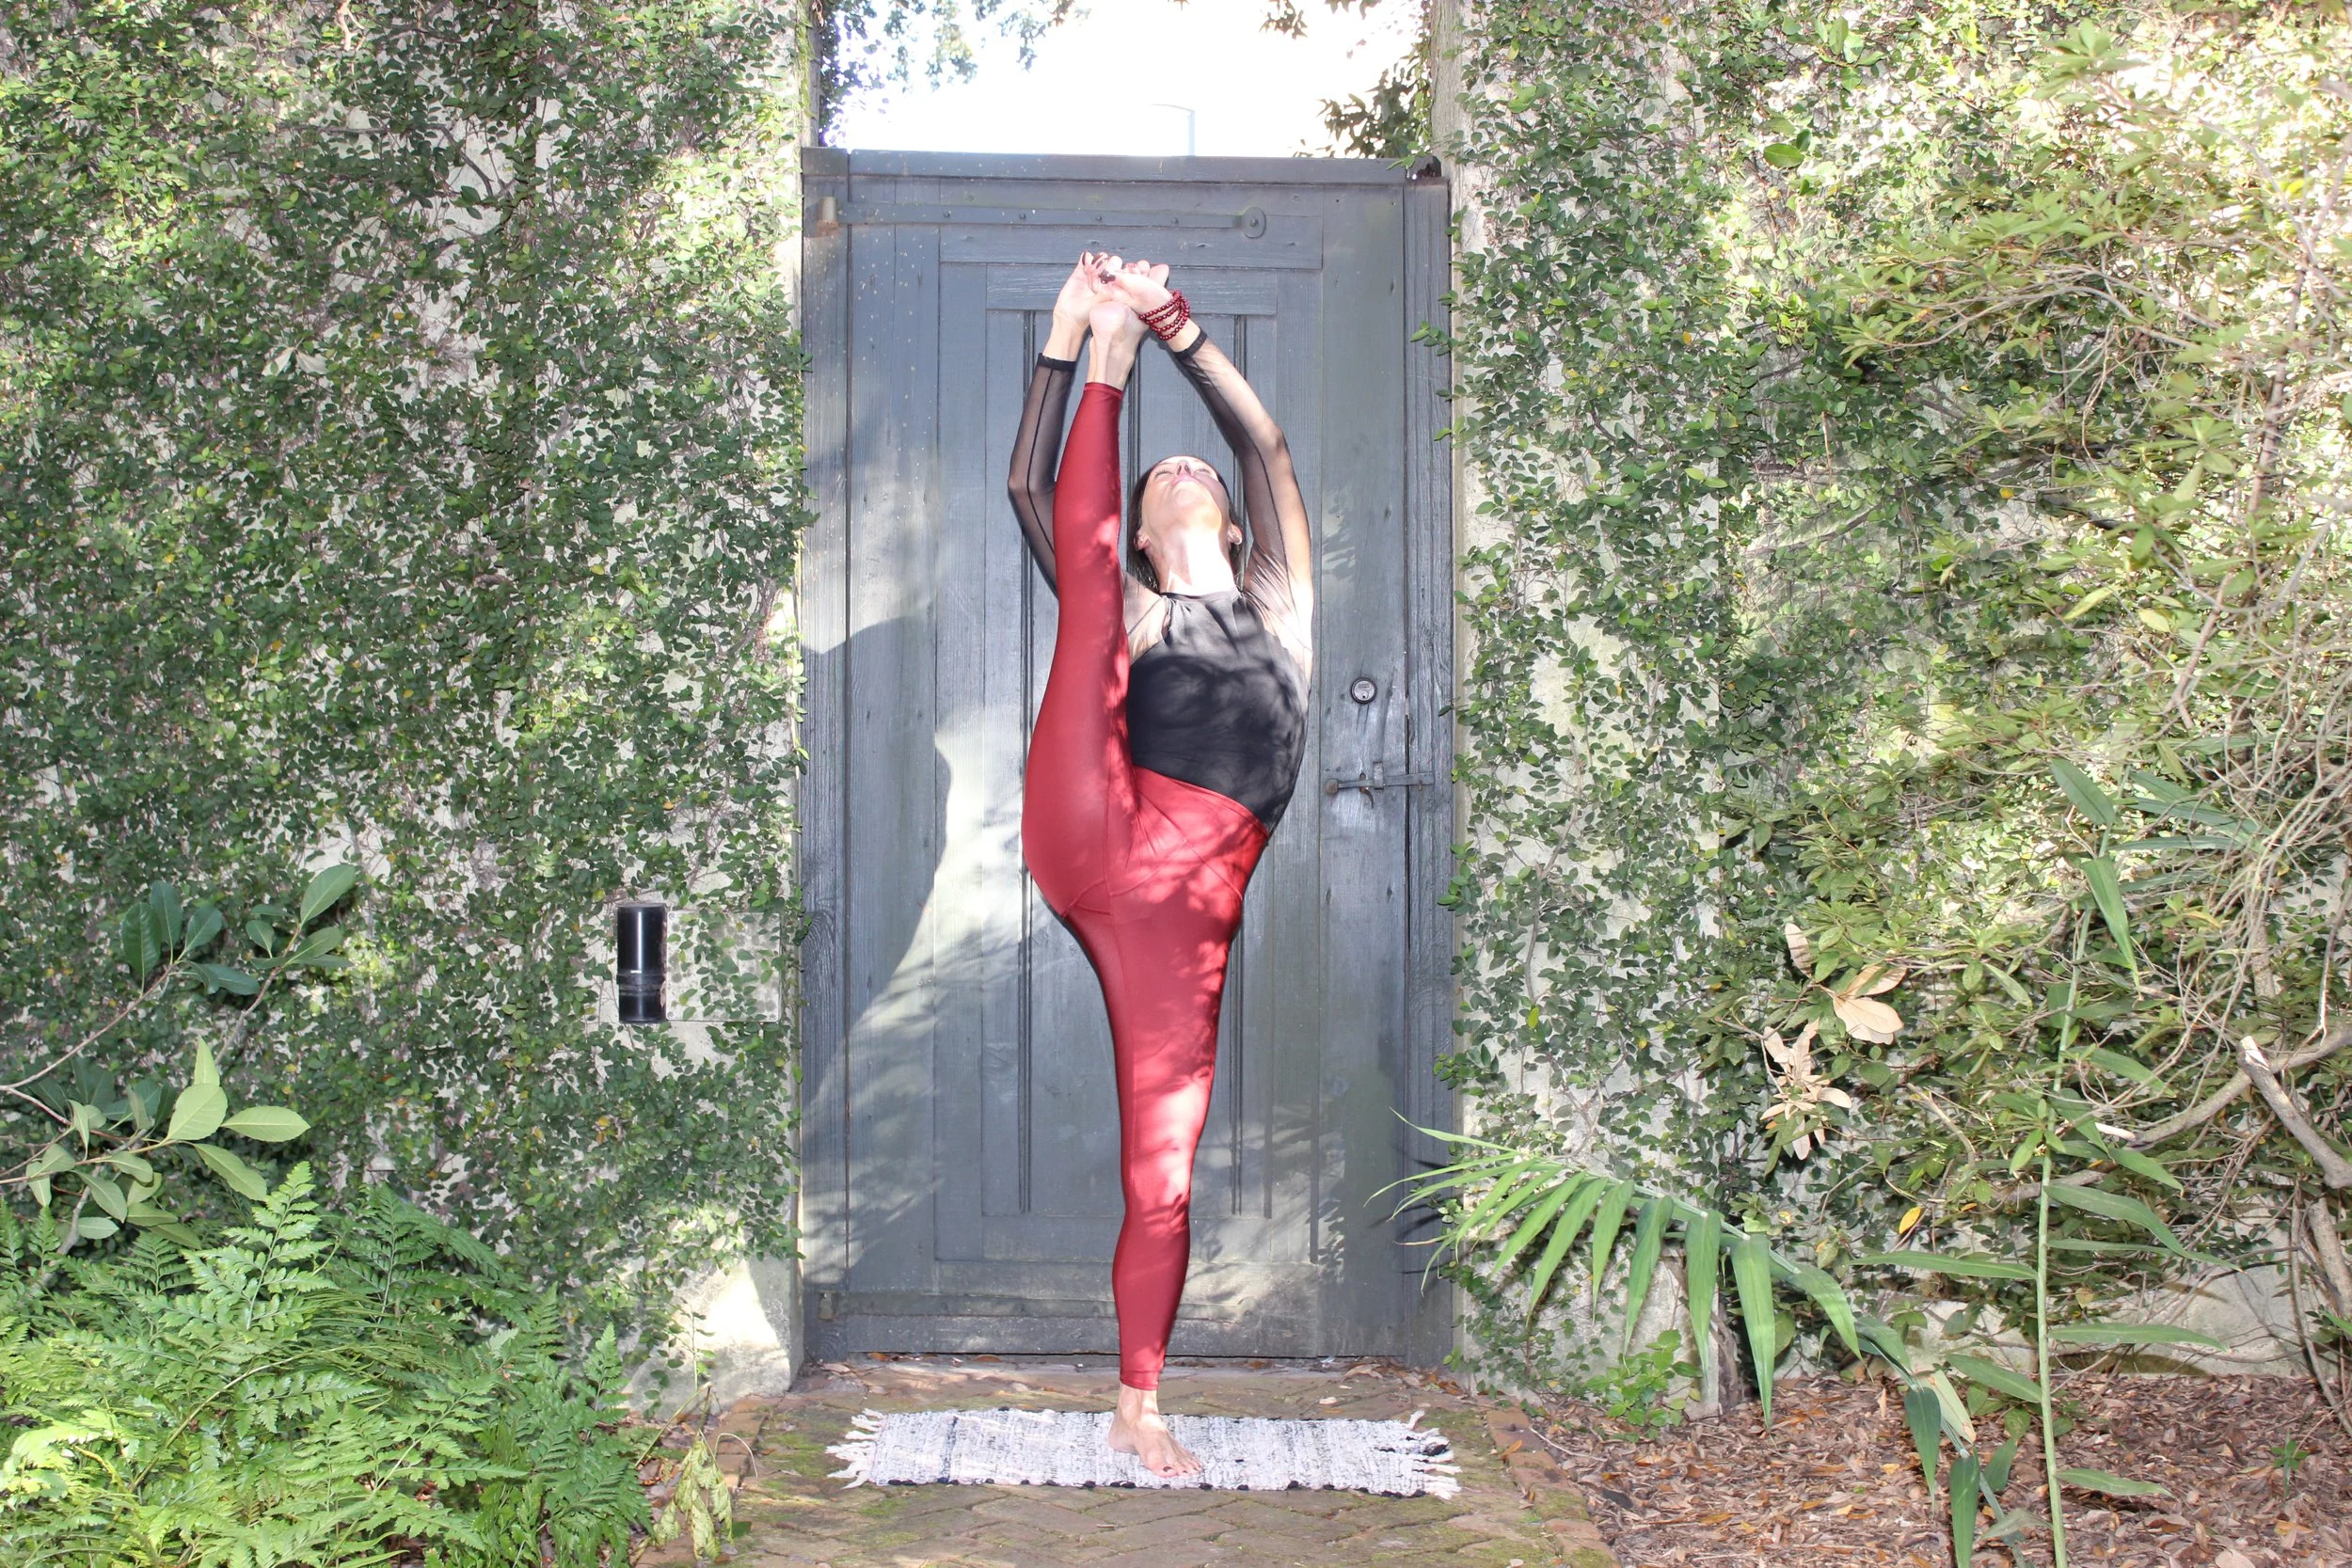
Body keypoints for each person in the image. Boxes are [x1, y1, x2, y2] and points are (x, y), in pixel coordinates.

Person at [1007, 252, 1312, 1478]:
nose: (1187, 470)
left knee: (1163, 1174)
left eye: (1199, 473)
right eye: (1160, 473)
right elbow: (1030, 485)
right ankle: (1108, 372)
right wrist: (1075, 339)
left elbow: (1267, 446)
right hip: (1095, 826)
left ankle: (1137, 1402)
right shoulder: (1130, 603)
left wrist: (1178, 322)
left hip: (1183, 924)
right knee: (1088, 617)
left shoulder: (1277, 602)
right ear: (1137, 524)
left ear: (1231, 525)